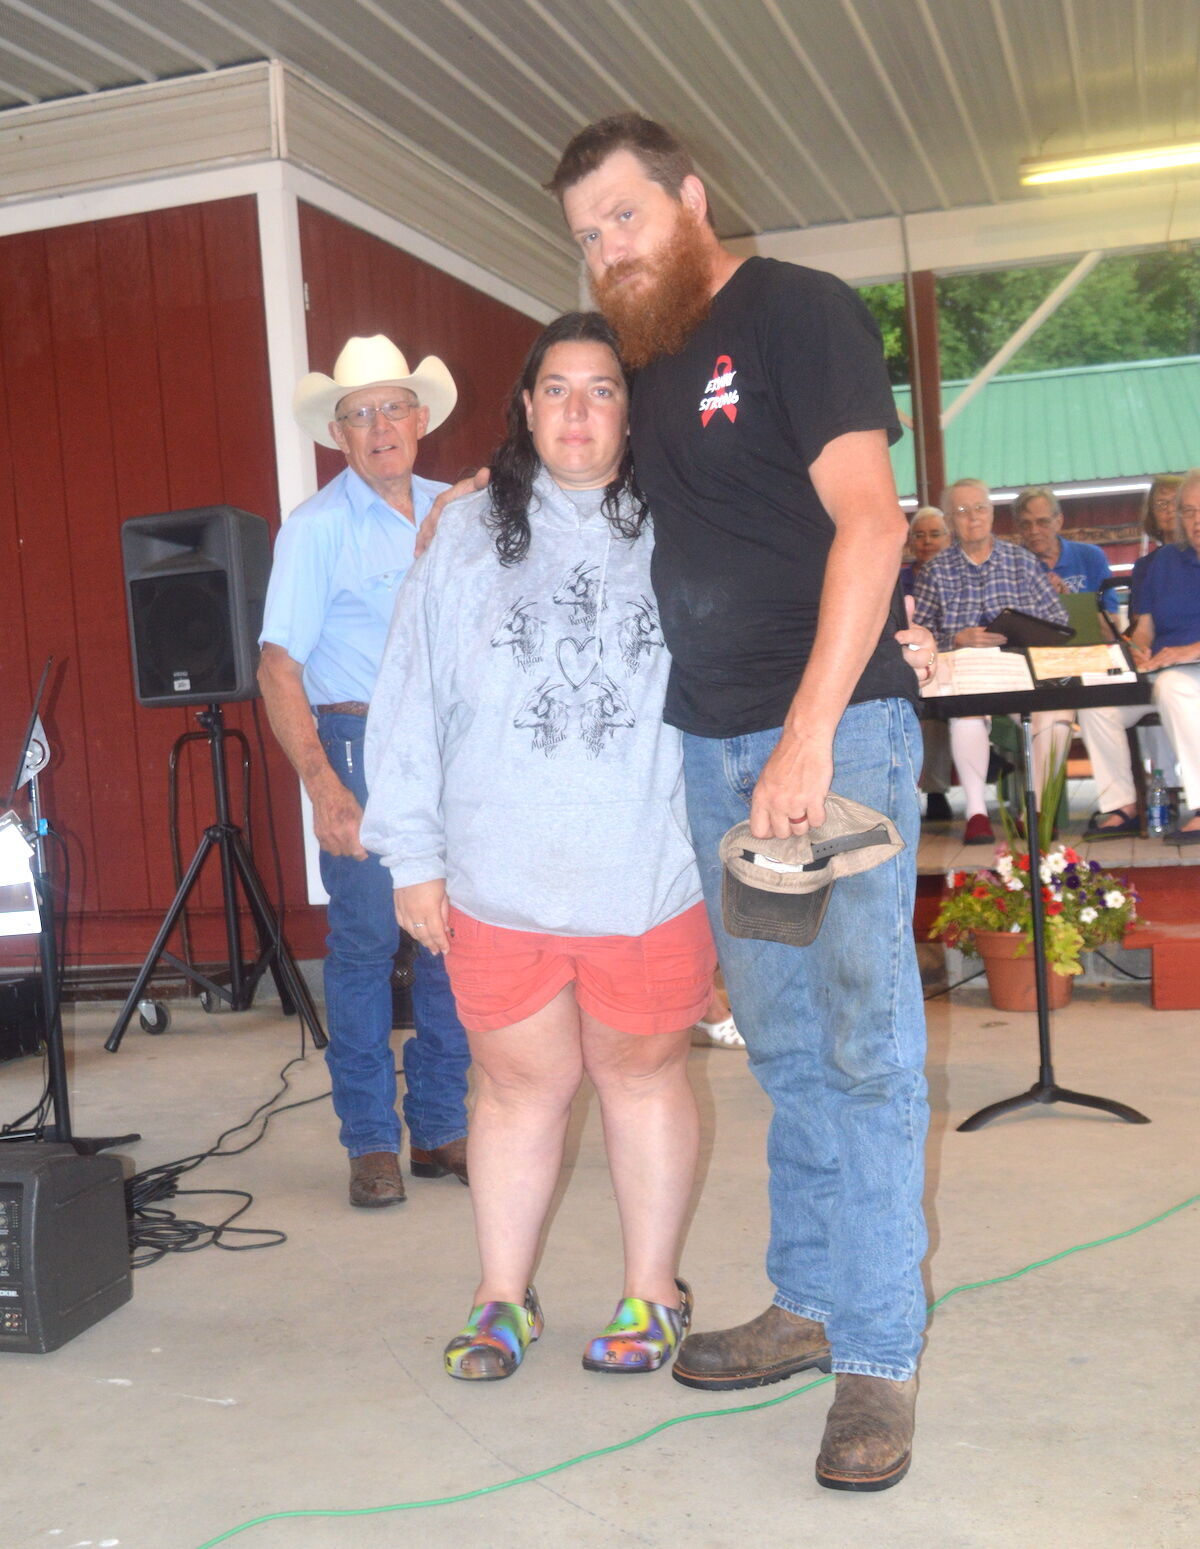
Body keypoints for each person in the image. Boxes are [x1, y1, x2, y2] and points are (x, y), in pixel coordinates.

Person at [549, 112, 939, 1493]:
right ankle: (812, 1299)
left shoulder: (796, 312)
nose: (607, 247)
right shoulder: (646, 369)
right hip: (715, 751)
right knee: (781, 1044)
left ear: (690, 197)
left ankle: (879, 1350)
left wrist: (809, 739)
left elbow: (874, 522)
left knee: (865, 1043)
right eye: (588, 232)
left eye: (624, 216)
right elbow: (582, 479)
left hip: (824, 748)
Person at [361, 313, 718, 1381]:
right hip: (496, 875)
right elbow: (411, 699)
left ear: (630, 410)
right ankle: (500, 1297)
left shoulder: (687, 523)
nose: (576, 409)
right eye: (554, 388)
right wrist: (411, 857)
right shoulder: (464, 537)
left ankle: (651, 1293)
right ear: (522, 410)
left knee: (644, 1080)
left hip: (646, 875)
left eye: (601, 389)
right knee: (516, 1090)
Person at [258, 334, 472, 1209]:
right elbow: (278, 667)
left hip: (451, 747)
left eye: (392, 407)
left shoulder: (454, 513)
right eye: (359, 415)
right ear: (337, 435)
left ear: (420, 419)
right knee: (362, 947)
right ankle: (372, 1141)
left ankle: (442, 1124)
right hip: (357, 744)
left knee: (452, 942)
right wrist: (323, 785)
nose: (379, 426)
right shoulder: (314, 531)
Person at [913, 478, 1073, 844]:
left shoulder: (1022, 562)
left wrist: (1022, 632)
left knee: (1059, 715)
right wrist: (955, 639)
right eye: (963, 511)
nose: (974, 518)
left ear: (993, 513)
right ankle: (977, 814)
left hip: (1019, 671)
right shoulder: (935, 572)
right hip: (965, 672)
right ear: (951, 521)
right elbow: (918, 640)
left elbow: (1059, 625)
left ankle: (1033, 811)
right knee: (967, 711)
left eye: (980, 508)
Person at [1078, 470, 1200, 845]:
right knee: (1096, 700)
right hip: (1163, 665)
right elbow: (1144, 626)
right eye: (1189, 511)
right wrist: (1136, 647)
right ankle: (1122, 806)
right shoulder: (1163, 562)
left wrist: (1185, 652)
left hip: (1183, 670)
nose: (1196, 520)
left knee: (1173, 685)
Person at [902, 507, 953, 821]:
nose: (927, 541)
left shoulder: (956, 577)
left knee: (940, 711)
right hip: (909, 665)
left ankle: (935, 792)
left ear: (949, 539)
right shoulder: (898, 579)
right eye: (919, 535)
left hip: (951, 662)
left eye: (935, 534)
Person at [1013, 485, 1118, 613]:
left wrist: (1067, 601)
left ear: (1059, 521)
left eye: (1043, 522)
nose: (1034, 531)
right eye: (1025, 524)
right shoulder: (1009, 568)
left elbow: (1112, 624)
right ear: (1018, 527)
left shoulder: (1091, 557)